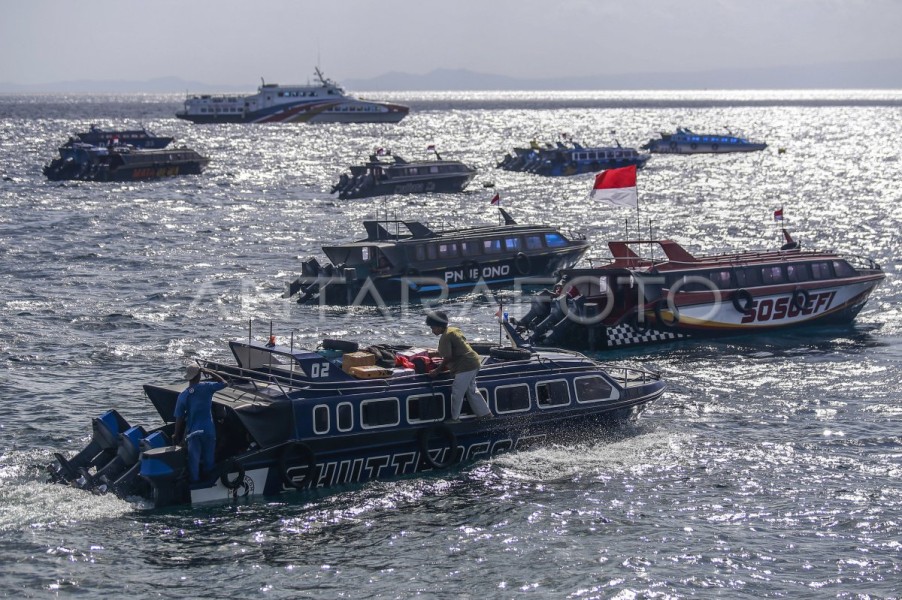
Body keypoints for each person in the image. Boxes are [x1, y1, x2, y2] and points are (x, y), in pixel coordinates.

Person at [425, 310, 494, 423]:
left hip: (465, 366)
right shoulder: (453, 330)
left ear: (439, 327)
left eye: (433, 328)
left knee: (457, 392)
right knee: (471, 390)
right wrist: (433, 353)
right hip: (474, 362)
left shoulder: (445, 337)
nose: (432, 331)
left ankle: (455, 419)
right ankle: (485, 414)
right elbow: (454, 349)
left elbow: (448, 357)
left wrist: (437, 370)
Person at [173, 364, 228, 481]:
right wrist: (209, 372)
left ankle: (195, 485)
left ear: (188, 378)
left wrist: (176, 434)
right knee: (209, 460)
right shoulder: (207, 387)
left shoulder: (183, 395)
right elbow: (224, 383)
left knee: (194, 462)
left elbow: (179, 417)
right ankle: (209, 483)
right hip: (208, 430)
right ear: (199, 375)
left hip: (194, 433)